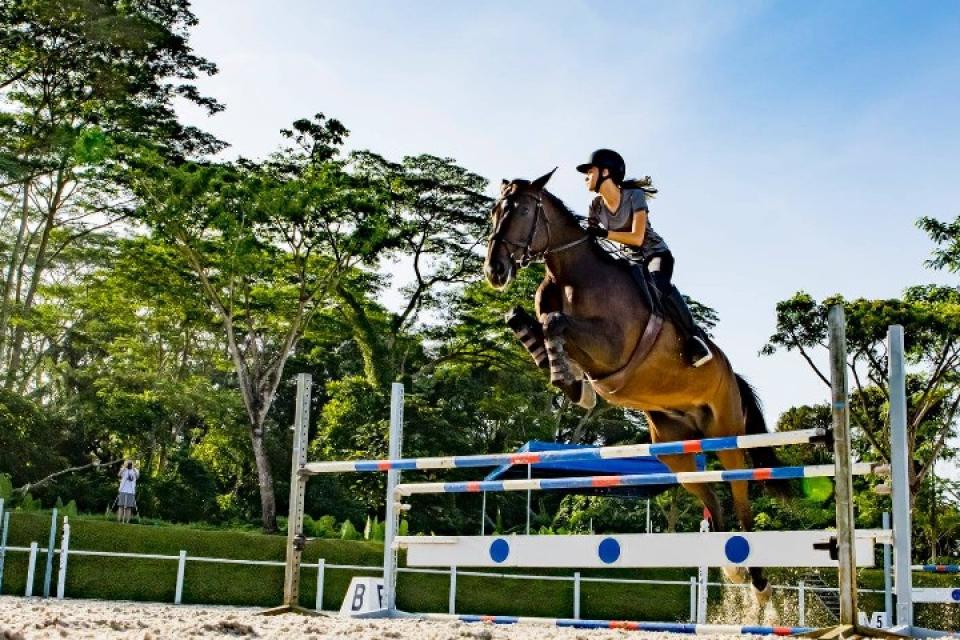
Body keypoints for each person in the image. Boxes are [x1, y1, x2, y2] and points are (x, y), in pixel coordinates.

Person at [576, 148, 713, 367]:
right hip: (631, 262)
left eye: (589, 172)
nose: (585, 177)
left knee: (657, 284)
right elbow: (590, 241)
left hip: (656, 254)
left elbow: (638, 238)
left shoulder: (634, 196)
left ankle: (695, 339)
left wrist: (604, 233)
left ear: (605, 172)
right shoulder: (595, 206)